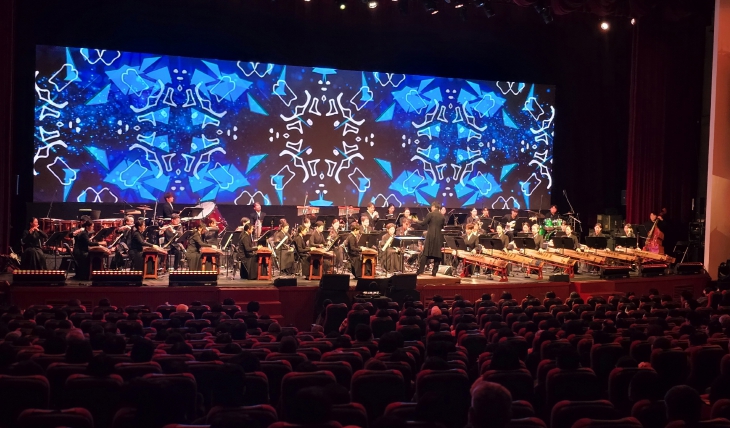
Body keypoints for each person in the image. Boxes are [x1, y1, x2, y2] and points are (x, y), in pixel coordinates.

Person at [416, 201, 445, 276]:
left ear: (433, 207)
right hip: (439, 236)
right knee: (437, 254)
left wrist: (416, 220)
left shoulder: (430, 214)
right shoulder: (442, 216)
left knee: (426, 253)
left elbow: (423, 223)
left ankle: (421, 270)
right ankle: (434, 272)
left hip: (430, 236)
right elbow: (442, 226)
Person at [72, 216, 105, 280]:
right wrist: (100, 243)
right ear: (87, 227)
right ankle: (91, 275)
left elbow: (87, 242)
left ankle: (94, 274)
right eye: (92, 226)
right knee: (96, 258)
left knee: (96, 256)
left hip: (81, 251)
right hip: (80, 253)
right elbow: (89, 243)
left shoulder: (85, 232)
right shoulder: (84, 233)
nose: (93, 227)